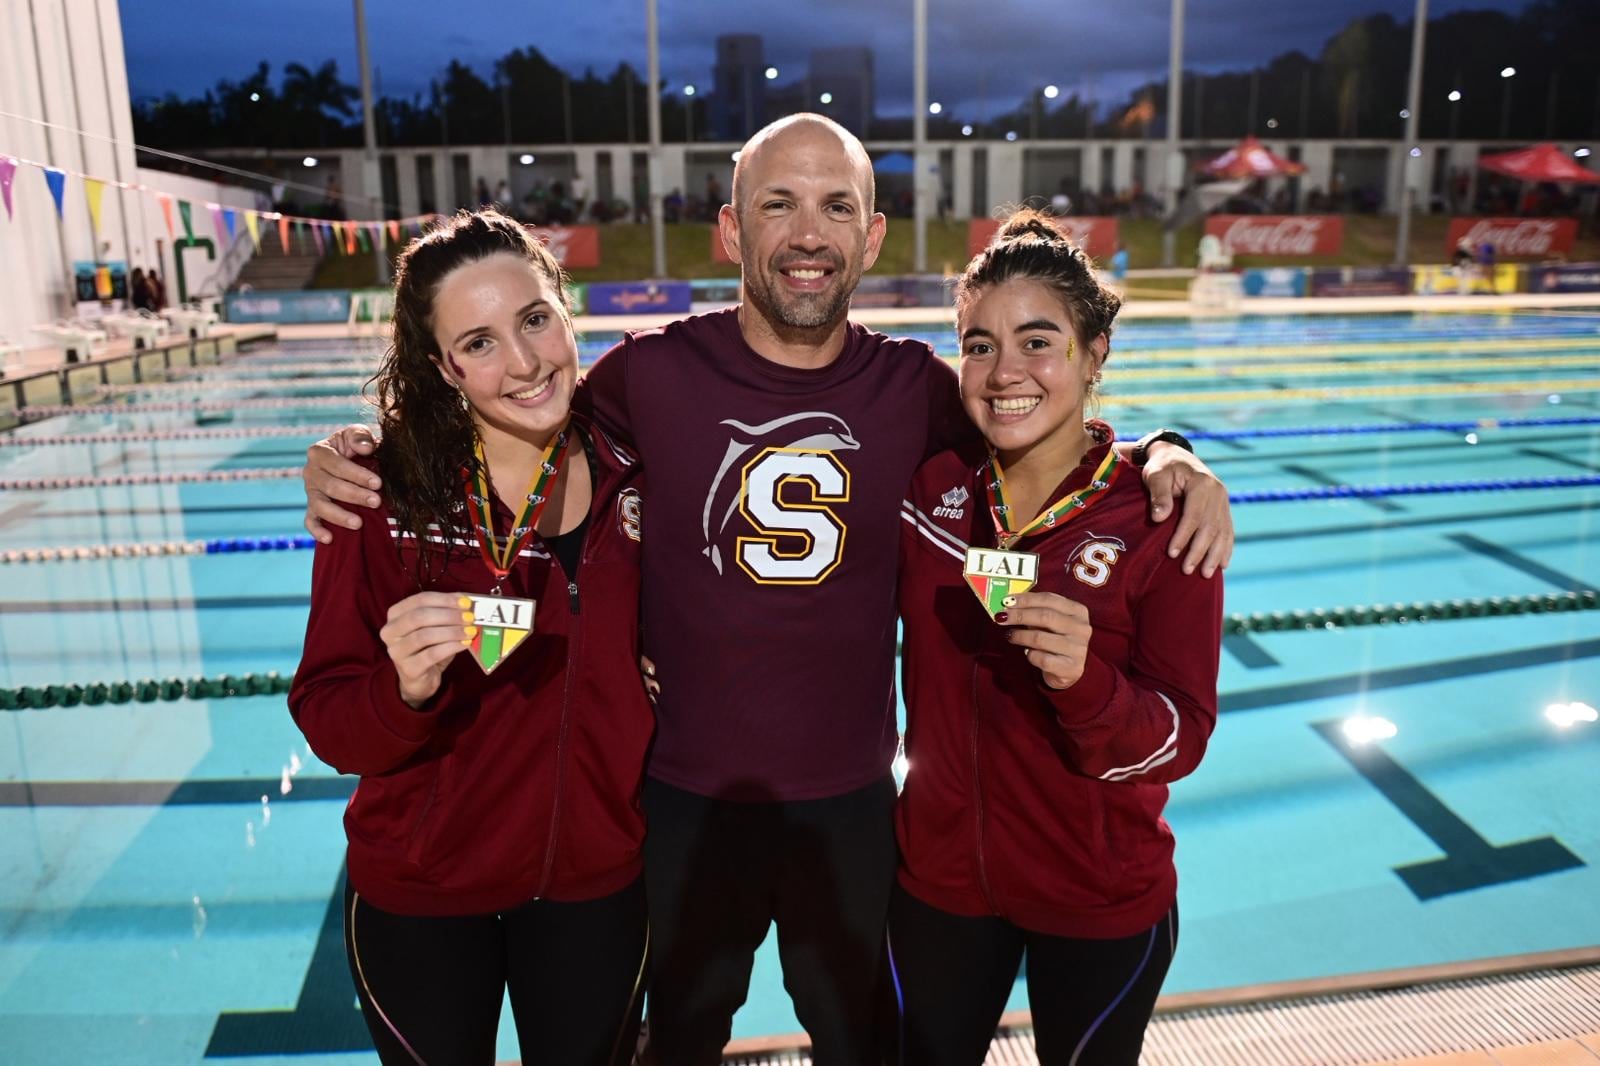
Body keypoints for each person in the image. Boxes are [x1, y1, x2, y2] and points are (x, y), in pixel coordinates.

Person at [301, 115, 1233, 1066]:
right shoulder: (646, 376)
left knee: (864, 1047)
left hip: (855, 809)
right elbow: (515, 415)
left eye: (837, 207)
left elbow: (1039, 416)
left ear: (872, 234)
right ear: (731, 230)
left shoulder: (917, 388)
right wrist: (353, 450)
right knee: (675, 1047)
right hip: (679, 804)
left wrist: (1171, 452)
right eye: (777, 205)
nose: (807, 234)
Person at [288, 210, 651, 1066]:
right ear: (442, 366)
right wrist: (401, 693)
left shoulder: (641, 468)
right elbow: (328, 716)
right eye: (479, 343)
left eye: (534, 320)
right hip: (424, 896)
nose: (524, 363)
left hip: (596, 884)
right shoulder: (377, 493)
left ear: (565, 309)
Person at [890, 211, 1222, 1065]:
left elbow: (1183, 738)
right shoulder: (927, 491)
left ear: (1094, 352)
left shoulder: (1160, 520)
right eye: (979, 346)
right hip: (939, 883)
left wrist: (1087, 686)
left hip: (1097, 896)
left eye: (1038, 342)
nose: (1005, 372)